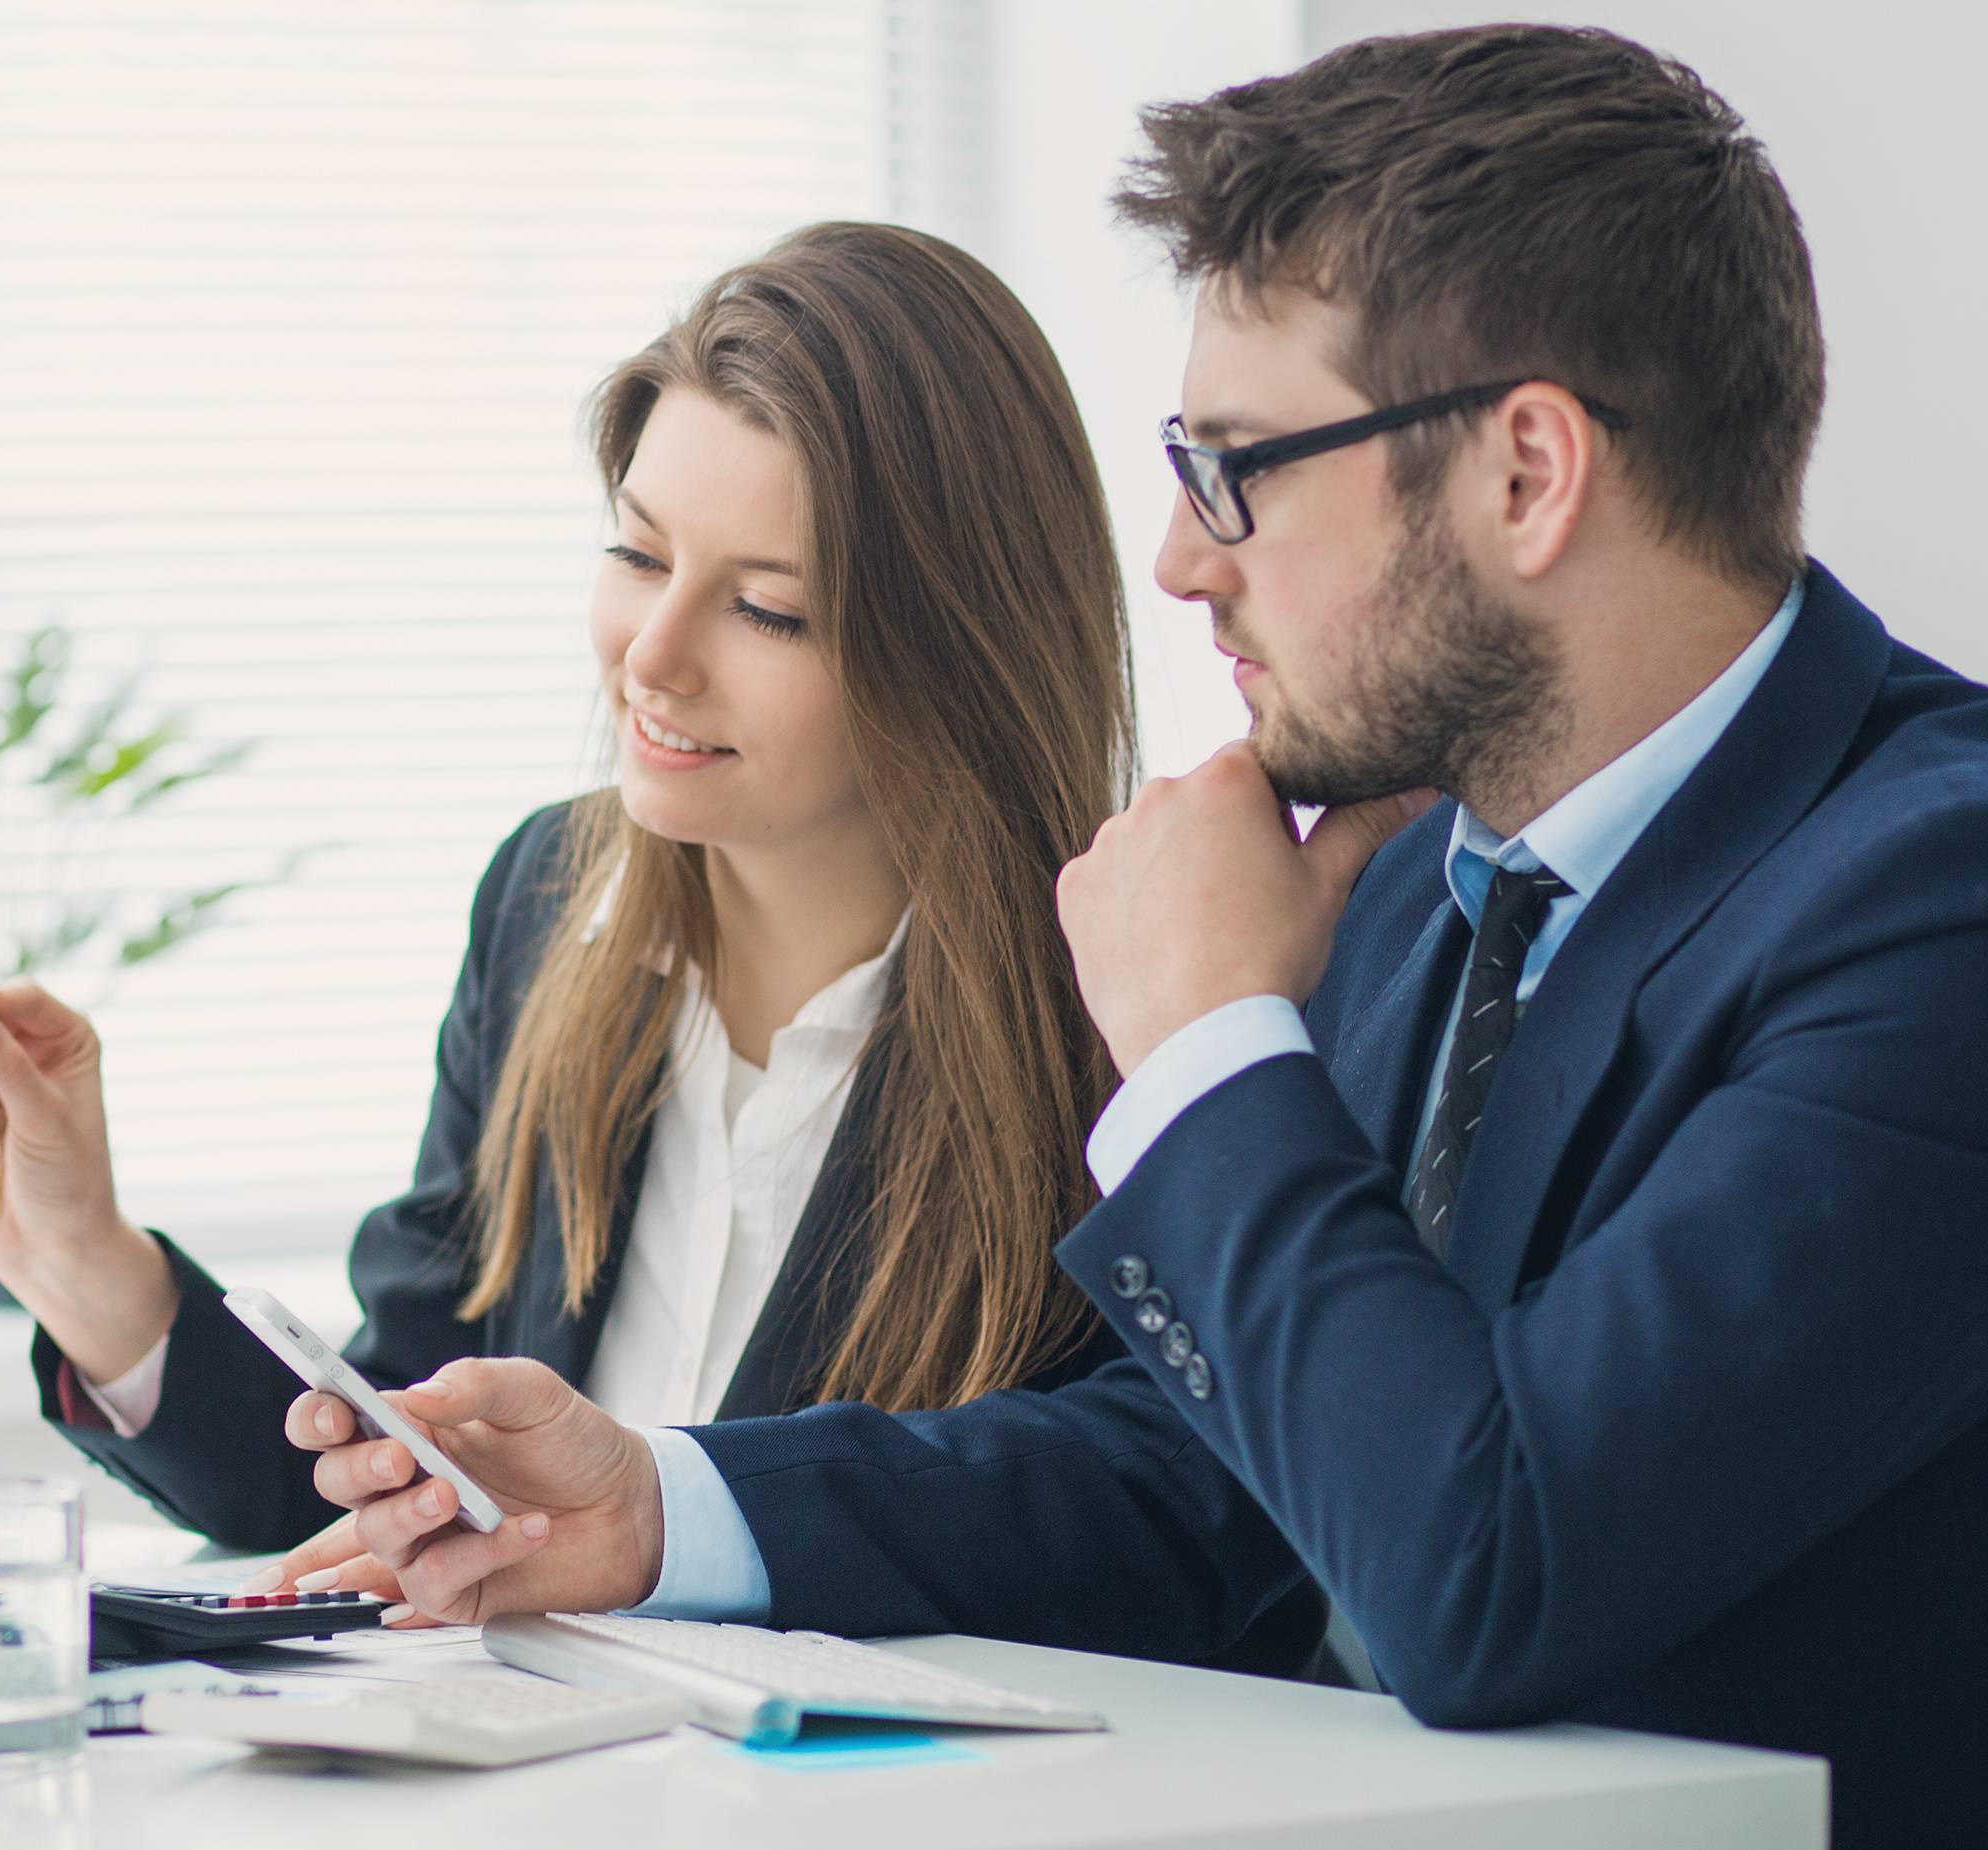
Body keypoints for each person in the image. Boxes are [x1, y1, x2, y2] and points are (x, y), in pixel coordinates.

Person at [279, 27, 1988, 1847]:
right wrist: (663, 1503)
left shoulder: (1927, 902)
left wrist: (1204, 1052)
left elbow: (1490, 1570)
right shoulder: (1421, 869)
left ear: (1527, 473)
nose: (1180, 560)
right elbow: (1217, 1485)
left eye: (1236, 467)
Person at [0, 223, 1318, 1676]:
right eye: (638, 552)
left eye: (767, 604)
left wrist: (675, 1517)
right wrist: (90, 1263)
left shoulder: (1134, 991)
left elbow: (1175, 1521)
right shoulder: (546, 904)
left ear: (956, 645)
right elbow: (386, 1469)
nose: (653, 653)